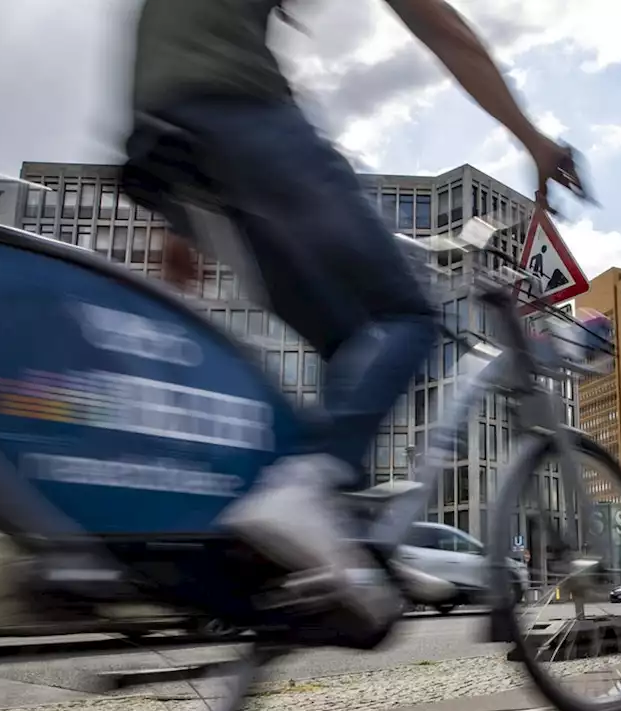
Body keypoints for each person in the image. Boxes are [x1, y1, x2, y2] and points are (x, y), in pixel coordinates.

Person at [119, 0, 586, 649]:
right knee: (408, 314)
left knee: (351, 347)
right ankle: (302, 492)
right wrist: (534, 141)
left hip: (165, 148)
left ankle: (351, 546)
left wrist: (174, 224)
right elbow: (443, 29)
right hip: (245, 119)